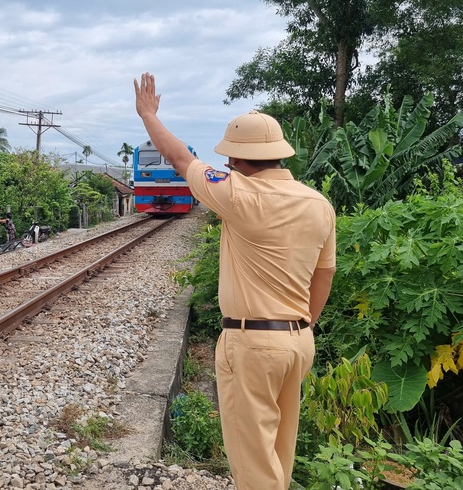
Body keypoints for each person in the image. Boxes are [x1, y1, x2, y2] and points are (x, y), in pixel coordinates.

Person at [134, 72, 336, 490]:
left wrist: (148, 115)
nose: (226, 165)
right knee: (279, 452)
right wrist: (303, 327)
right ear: (279, 155)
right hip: (299, 341)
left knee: (252, 466)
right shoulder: (319, 204)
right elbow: (325, 273)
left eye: (229, 159)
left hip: (253, 344)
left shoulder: (239, 195)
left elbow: (181, 160)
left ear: (237, 161)